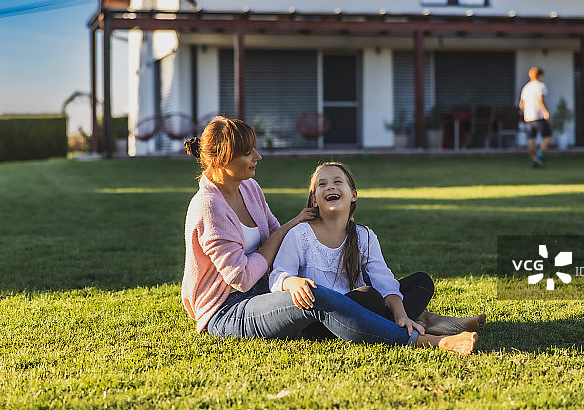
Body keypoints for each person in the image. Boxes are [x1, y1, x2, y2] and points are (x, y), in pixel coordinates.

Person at [180, 116, 478, 354]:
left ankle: (421, 319)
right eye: (247, 152)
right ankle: (426, 340)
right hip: (229, 309)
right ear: (222, 160)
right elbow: (242, 278)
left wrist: (291, 226)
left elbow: (274, 233)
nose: (257, 156)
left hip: (263, 294)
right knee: (316, 295)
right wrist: (289, 242)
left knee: (387, 290)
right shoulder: (208, 207)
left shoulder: (249, 188)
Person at [270, 161, 487, 338]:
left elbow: (383, 280)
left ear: (353, 195)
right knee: (369, 298)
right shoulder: (300, 234)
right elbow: (277, 275)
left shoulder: (364, 236)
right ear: (314, 200)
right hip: (320, 320)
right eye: (322, 184)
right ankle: (427, 323)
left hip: (364, 308)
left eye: (337, 182)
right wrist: (292, 282)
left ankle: (410, 321)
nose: (330, 187)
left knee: (421, 282)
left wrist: (401, 314)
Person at [518, 67, 552, 168]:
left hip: (528, 117)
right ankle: (539, 156)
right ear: (540, 75)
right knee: (548, 137)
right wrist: (546, 112)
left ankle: (534, 160)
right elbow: (541, 100)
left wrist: (526, 112)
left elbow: (521, 104)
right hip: (538, 116)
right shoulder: (541, 86)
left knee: (531, 139)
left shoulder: (526, 87)